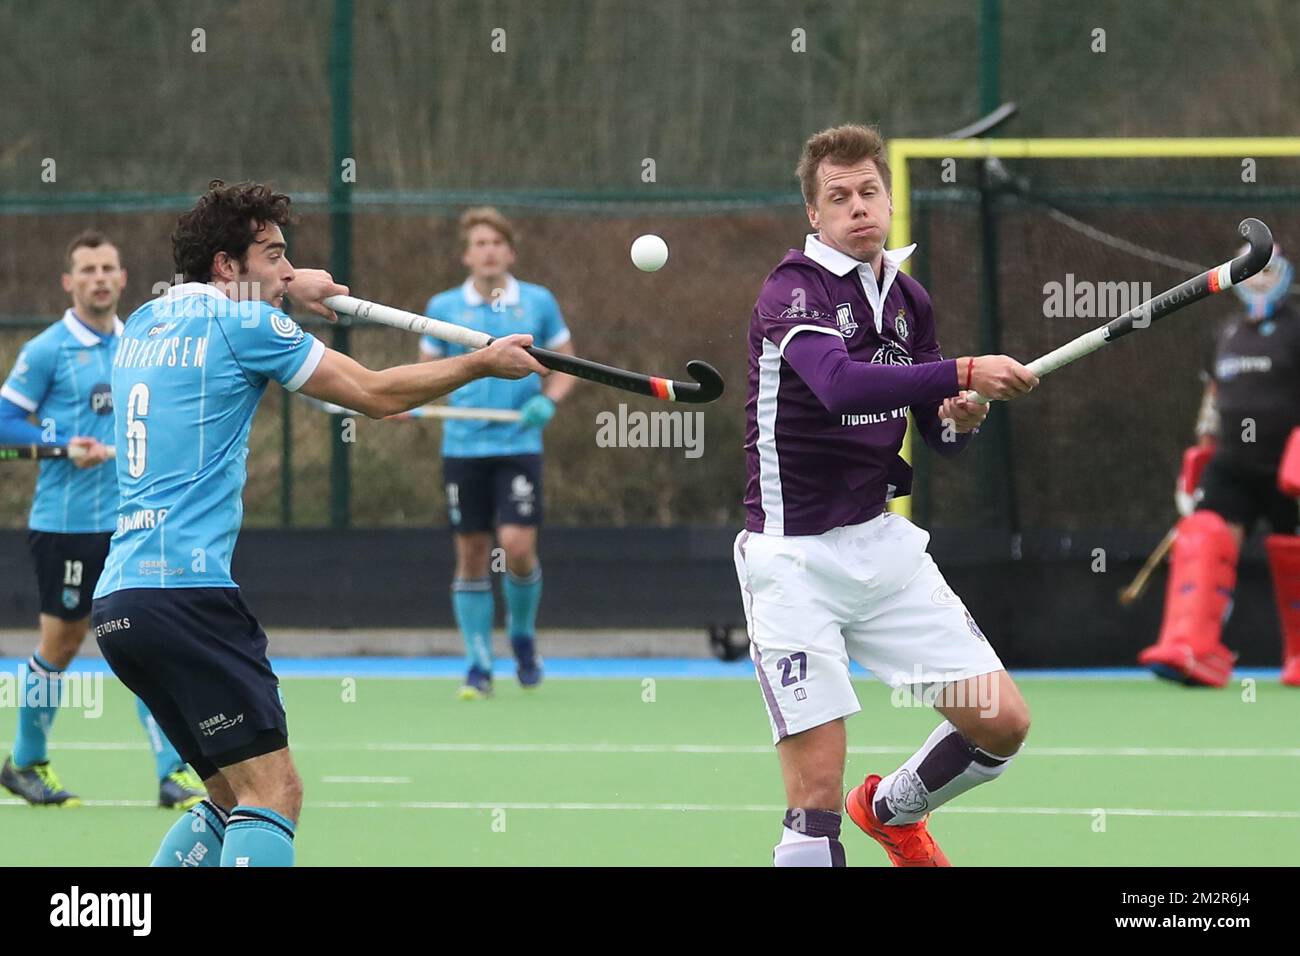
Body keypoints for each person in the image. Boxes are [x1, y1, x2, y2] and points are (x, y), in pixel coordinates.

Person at [90, 181, 544, 866]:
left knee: (225, 796)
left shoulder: (142, 324)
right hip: (188, 596)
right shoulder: (243, 323)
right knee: (275, 793)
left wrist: (283, 291)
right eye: (274, 255)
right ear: (225, 265)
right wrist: (483, 362)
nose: (288, 269)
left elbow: (245, 331)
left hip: (121, 602)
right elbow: (373, 394)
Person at [734, 124, 1038, 867]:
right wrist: (960, 372)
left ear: (889, 199)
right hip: (793, 562)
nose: (858, 207)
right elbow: (838, 386)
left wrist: (961, 415)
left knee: (1001, 723)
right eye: (839, 197)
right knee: (814, 805)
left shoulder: (907, 299)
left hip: (882, 550)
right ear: (814, 215)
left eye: (869, 191)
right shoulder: (791, 290)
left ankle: (894, 810)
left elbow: (937, 436)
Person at [0, 230, 204, 810]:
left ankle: (173, 772)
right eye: (86, 269)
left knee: (151, 640)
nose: (98, 278)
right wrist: (64, 444)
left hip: (134, 524)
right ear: (69, 281)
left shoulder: (141, 344)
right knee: (61, 645)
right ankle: (25, 761)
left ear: (122, 279)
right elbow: (3, 425)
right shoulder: (46, 350)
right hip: (66, 524)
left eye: (107, 268)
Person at [420, 207, 575, 699]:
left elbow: (566, 364)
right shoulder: (443, 305)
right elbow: (424, 372)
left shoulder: (537, 302)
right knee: (470, 554)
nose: (488, 251)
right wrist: (408, 404)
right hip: (463, 448)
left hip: (518, 444)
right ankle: (478, 664)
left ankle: (523, 639)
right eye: (479, 244)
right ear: (466, 255)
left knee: (518, 548)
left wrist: (546, 403)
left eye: (496, 243)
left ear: (510, 251)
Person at [1139, 243, 1300, 687]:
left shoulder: (1296, 329)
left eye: (1268, 269)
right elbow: (1213, 398)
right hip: (1233, 463)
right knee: (1204, 537)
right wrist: (1200, 453)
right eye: (1251, 270)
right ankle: (1192, 649)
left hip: (1291, 469)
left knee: (1295, 555)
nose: (1260, 279)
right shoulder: (1226, 334)